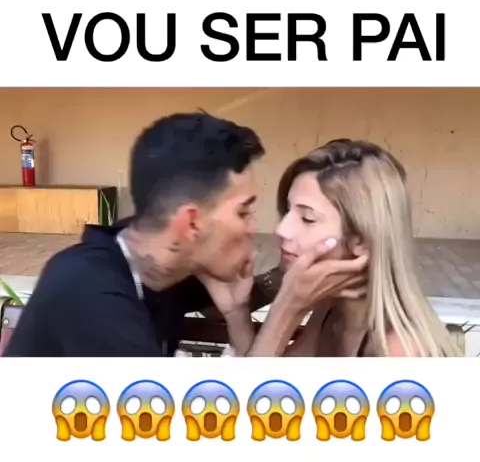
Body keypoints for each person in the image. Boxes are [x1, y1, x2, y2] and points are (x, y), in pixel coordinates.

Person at [3, 114, 367, 357]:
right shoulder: (92, 295)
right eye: (243, 211)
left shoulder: (158, 265)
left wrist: (285, 279)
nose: (259, 227)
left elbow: (239, 293)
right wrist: (288, 309)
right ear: (192, 223)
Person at [204, 139, 461, 357]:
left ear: (361, 241)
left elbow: (257, 397)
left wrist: (288, 309)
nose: (282, 229)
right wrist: (236, 312)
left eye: (307, 219)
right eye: (288, 210)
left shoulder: (399, 350)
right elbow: (272, 379)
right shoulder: (332, 308)